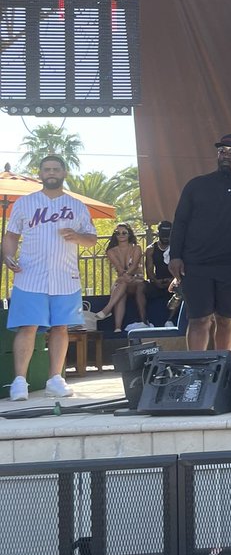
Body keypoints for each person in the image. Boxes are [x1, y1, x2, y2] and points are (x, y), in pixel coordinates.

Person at [1, 154, 98, 401]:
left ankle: (55, 379)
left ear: (64, 173)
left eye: (56, 169)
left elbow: (92, 239)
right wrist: (8, 256)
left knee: (61, 326)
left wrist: (77, 236)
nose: (51, 172)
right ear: (40, 174)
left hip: (65, 277)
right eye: (47, 169)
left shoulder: (77, 206)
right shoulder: (25, 203)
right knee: (28, 326)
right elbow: (11, 236)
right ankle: (19, 382)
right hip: (29, 276)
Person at [169, 134, 231, 352]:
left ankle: (223, 364)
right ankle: (197, 366)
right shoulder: (197, 184)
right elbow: (180, 221)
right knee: (199, 319)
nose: (226, 156)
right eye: (222, 151)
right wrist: (175, 255)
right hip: (196, 263)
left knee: (226, 319)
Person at [96, 223, 147, 330]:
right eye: (118, 233)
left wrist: (126, 275)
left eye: (124, 233)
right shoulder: (111, 251)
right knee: (122, 287)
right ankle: (118, 328)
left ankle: (107, 309)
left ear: (129, 234)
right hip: (123, 281)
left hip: (136, 279)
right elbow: (119, 268)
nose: (121, 235)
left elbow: (134, 265)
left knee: (123, 283)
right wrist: (126, 276)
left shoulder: (136, 248)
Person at [144, 220, 178, 312]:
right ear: (158, 234)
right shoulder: (151, 249)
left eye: (168, 235)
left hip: (174, 280)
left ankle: (172, 318)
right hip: (158, 281)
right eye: (163, 235)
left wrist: (172, 280)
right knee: (143, 288)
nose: (165, 238)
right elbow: (149, 271)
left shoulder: (177, 248)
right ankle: (145, 317)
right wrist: (156, 281)